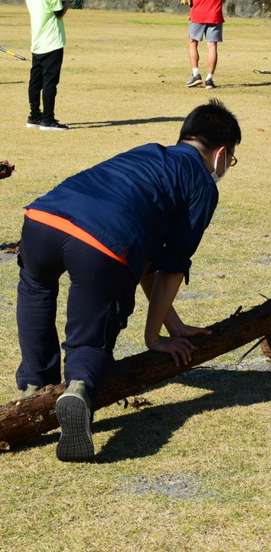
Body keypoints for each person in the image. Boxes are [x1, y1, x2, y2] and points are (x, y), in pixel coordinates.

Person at [15, 99, 241, 461]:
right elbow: (170, 267)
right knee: (92, 333)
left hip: (42, 219)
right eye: (231, 160)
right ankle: (78, 388)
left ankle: (35, 386)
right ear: (221, 154)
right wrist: (154, 338)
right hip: (101, 241)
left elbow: (148, 264)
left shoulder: (148, 153)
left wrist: (173, 326)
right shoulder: (201, 184)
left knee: (36, 290)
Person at [25, 0, 69, 131]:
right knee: (50, 83)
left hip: (37, 43)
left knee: (35, 82)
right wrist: (68, 2)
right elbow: (59, 13)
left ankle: (34, 116)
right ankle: (47, 120)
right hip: (52, 43)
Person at [185, 0, 224, 89]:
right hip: (215, 13)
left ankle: (196, 75)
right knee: (212, 46)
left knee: (193, 42)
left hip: (198, 12)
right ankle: (209, 79)